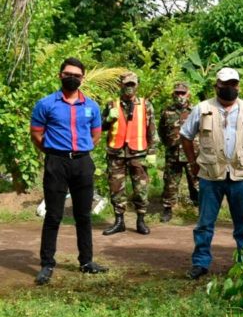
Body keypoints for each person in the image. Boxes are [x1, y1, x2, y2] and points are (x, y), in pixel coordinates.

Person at [180, 67, 243, 279]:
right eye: (224, 85)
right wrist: (193, 162)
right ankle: (200, 263)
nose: (229, 88)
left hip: (240, 175)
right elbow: (185, 136)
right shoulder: (202, 108)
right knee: (204, 224)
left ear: (238, 86)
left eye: (233, 84)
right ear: (216, 86)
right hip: (210, 175)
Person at [29, 57, 108, 285]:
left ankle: (86, 261)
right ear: (60, 75)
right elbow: (36, 134)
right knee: (53, 215)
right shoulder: (45, 104)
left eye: (76, 75)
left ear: (82, 79)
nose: (72, 78)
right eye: (68, 74)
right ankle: (47, 264)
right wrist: (53, 152)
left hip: (83, 163)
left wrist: (81, 151)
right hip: (56, 163)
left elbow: (96, 135)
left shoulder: (91, 106)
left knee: (83, 215)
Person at [101, 72, 157, 235]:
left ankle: (141, 221)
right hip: (116, 153)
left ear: (137, 85)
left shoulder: (146, 105)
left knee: (141, 189)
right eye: (127, 84)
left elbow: (151, 130)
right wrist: (108, 119)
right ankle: (119, 221)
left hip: (138, 153)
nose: (129, 88)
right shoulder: (112, 104)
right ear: (121, 85)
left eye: (132, 84)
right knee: (116, 188)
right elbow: (100, 127)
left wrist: (152, 151)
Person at [159, 82, 199, 222]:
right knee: (170, 183)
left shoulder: (196, 111)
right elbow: (161, 132)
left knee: (196, 182)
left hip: (192, 154)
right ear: (173, 94)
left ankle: (200, 208)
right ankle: (167, 209)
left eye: (183, 93)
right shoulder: (167, 111)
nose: (180, 96)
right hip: (173, 154)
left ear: (188, 94)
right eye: (177, 93)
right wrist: (169, 145)